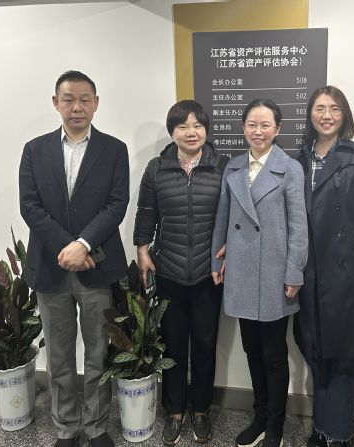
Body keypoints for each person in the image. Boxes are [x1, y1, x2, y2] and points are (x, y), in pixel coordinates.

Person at [19, 70, 129, 447]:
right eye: (68, 99)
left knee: (98, 352)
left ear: (96, 104)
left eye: (84, 99)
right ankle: (66, 428)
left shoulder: (114, 149)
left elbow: (116, 205)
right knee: (60, 356)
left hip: (97, 266)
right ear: (56, 103)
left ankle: (96, 427)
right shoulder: (34, 150)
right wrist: (68, 247)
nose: (76, 106)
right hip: (51, 268)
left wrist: (83, 244)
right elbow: (30, 207)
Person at [211, 99, 308, 447]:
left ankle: (275, 425)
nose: (258, 131)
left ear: (277, 129)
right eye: (252, 124)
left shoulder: (290, 169)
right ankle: (260, 416)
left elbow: (299, 227)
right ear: (243, 128)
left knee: (274, 355)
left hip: (273, 274)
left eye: (266, 125)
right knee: (251, 350)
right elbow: (223, 218)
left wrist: (294, 271)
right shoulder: (233, 166)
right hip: (240, 271)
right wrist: (215, 261)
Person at [293, 86, 354, 446]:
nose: (327, 115)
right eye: (320, 108)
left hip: (346, 269)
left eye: (334, 108)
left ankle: (341, 432)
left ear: (343, 114)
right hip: (308, 268)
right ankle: (321, 427)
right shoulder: (299, 157)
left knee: (343, 353)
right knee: (315, 348)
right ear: (310, 115)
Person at [133, 100, 228, 445]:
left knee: (205, 343)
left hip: (208, 274)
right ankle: (174, 411)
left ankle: (200, 409)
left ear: (206, 130)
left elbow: (234, 214)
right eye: (183, 126)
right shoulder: (157, 168)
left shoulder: (222, 166)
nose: (191, 132)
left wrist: (229, 248)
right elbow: (146, 212)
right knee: (172, 345)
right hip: (169, 270)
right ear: (172, 131)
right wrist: (142, 249)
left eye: (197, 125)